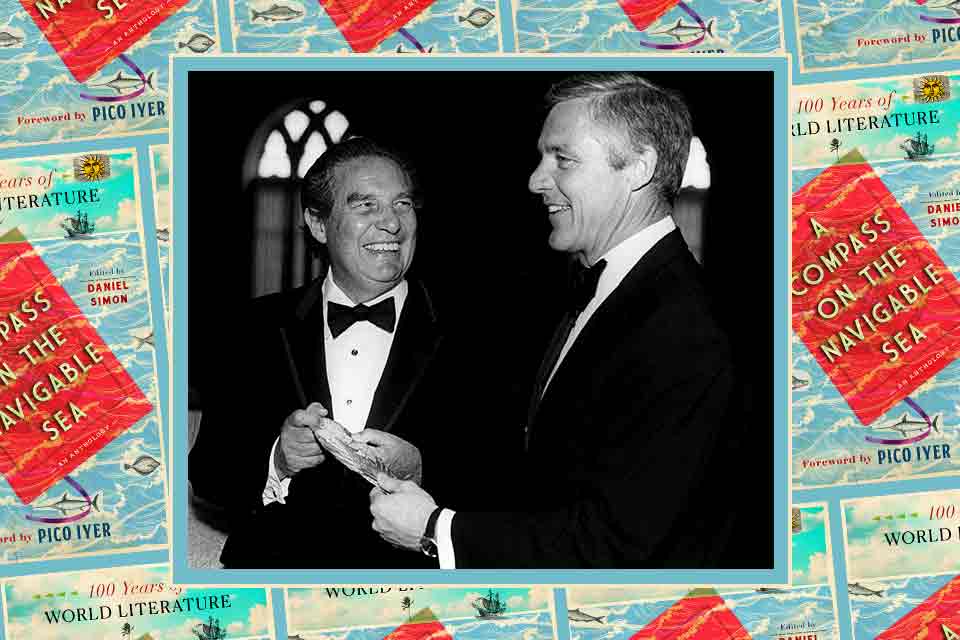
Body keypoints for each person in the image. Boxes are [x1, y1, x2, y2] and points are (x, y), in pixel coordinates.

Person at [369, 73, 739, 568]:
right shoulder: (598, 289)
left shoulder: (686, 328)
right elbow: (552, 472)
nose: (535, 180)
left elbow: (616, 543)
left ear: (638, 168)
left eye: (562, 159)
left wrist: (437, 530)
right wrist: (423, 467)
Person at [189, 137, 448, 568]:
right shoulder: (251, 328)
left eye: (402, 205)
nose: (392, 224)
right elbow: (210, 474)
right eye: (366, 206)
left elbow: (514, 482)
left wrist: (424, 470)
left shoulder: (478, 335)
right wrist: (278, 460)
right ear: (318, 224)